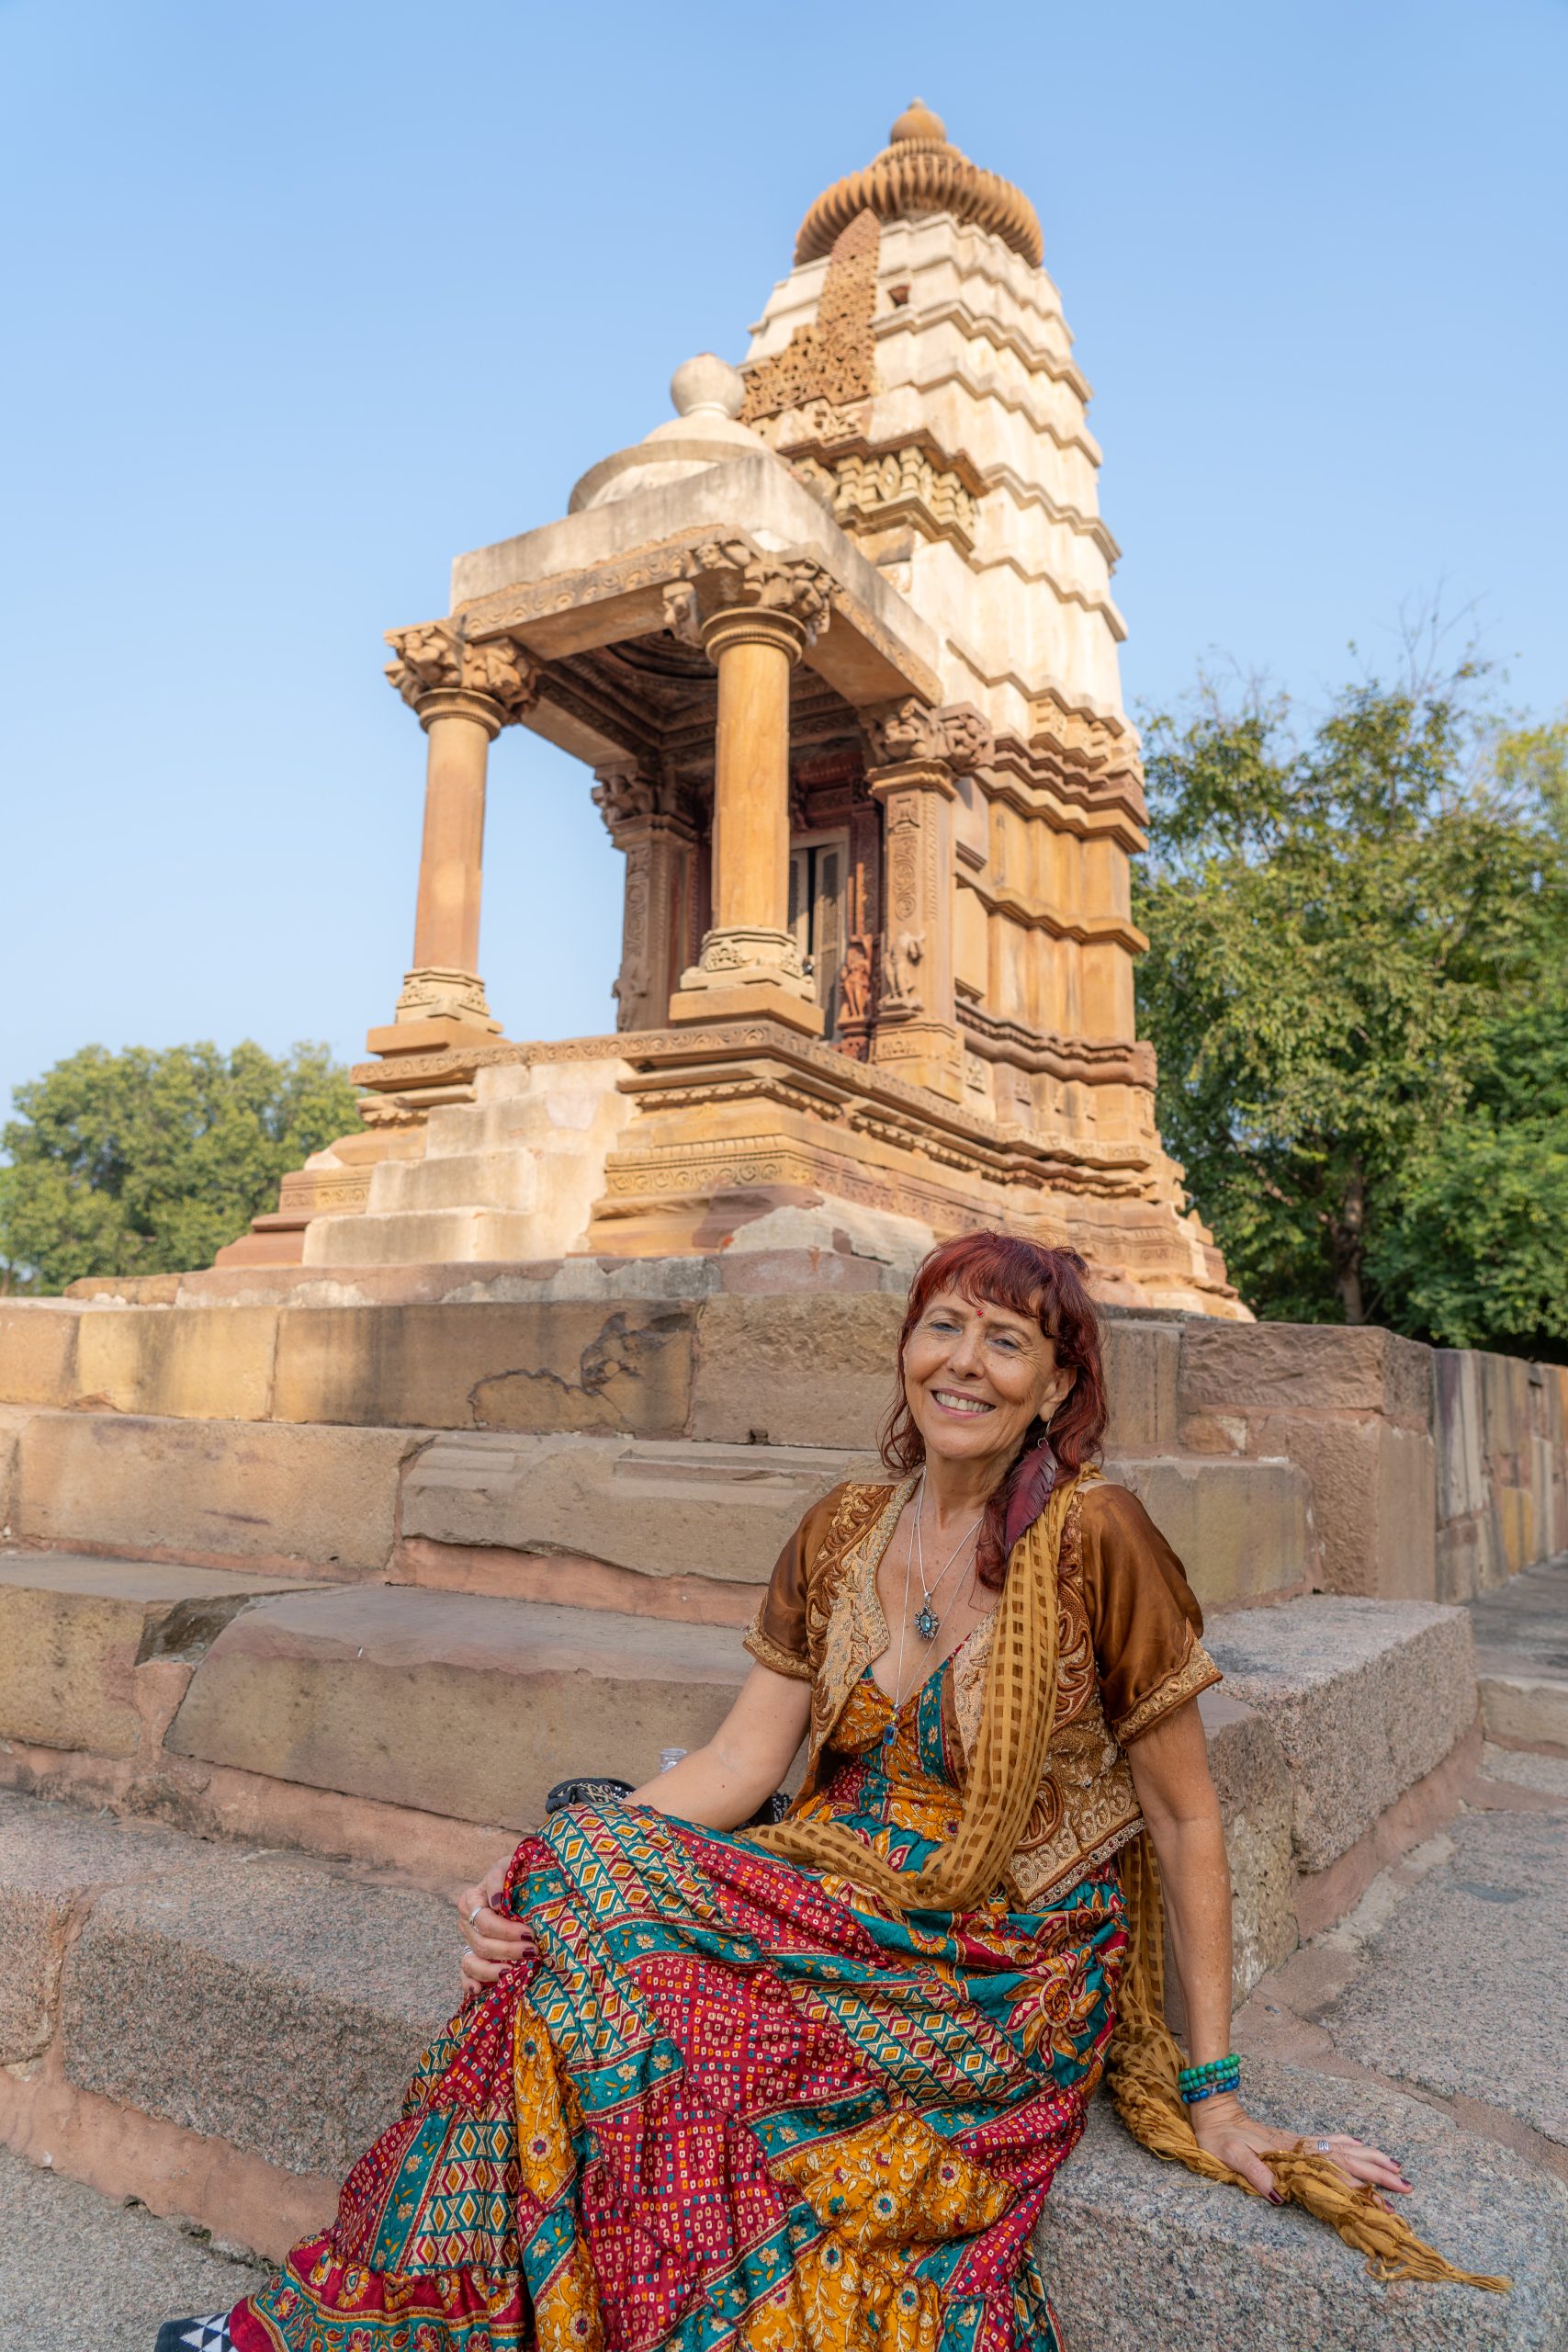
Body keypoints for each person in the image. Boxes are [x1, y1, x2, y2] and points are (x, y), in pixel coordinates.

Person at [161, 1232, 1497, 2352]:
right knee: (561, 1902)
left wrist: (1214, 2092)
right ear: (906, 1347)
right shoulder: (843, 1531)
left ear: (1055, 1387)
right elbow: (745, 1765)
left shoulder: (1103, 1542)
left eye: (1007, 1342)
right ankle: (369, 2321)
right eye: (944, 1327)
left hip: (999, 1965)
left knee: (584, 1949)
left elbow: (1188, 1814)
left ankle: (336, 2330)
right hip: (831, 1894)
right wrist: (534, 1869)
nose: (963, 1364)